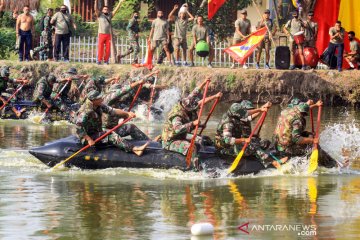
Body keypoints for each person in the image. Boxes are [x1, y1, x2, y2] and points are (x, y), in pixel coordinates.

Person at [161, 77, 222, 169]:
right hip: (171, 139)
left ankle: (214, 156)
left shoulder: (188, 101)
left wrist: (208, 87)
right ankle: (195, 169)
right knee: (192, 147)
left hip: (183, 135)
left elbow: (196, 93)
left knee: (204, 139)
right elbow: (177, 129)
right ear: (186, 109)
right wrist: (193, 124)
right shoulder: (177, 116)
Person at [75, 90, 148, 156]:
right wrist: (88, 139)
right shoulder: (84, 111)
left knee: (130, 127)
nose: (102, 99)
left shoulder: (99, 105)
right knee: (110, 134)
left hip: (98, 132)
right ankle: (134, 149)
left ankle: (151, 143)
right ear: (93, 100)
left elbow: (113, 111)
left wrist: (127, 113)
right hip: (89, 137)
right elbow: (78, 127)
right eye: (99, 98)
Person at [94, 0, 122, 65]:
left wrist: (120, 3)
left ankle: (106, 61)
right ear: (102, 10)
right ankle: (99, 60)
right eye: (104, 9)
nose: (106, 10)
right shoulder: (99, 15)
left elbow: (116, 10)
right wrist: (95, 2)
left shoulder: (110, 15)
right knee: (100, 48)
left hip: (108, 34)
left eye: (107, 9)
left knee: (107, 49)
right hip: (101, 34)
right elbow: (95, 9)